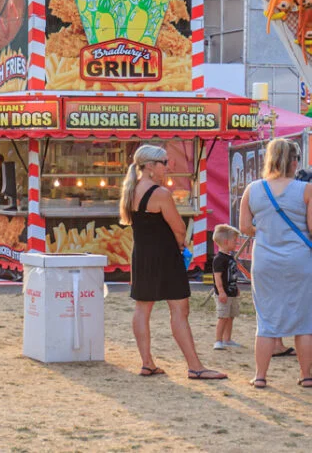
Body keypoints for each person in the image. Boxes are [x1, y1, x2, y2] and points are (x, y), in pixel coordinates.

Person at [121, 144, 225, 380]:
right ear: (150, 166)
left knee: (142, 308)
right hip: (166, 256)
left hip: (142, 255)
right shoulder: (160, 194)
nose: (169, 166)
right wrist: (181, 243)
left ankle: (147, 363)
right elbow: (178, 228)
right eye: (164, 162)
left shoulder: (131, 190)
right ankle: (195, 366)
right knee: (179, 310)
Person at [238, 137, 312, 389]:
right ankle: (305, 375)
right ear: (294, 161)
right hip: (299, 261)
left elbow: (245, 228)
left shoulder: (253, 189)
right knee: (304, 320)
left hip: (265, 261)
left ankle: (260, 375)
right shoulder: (305, 190)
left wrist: (268, 230)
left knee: (266, 320)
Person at [211, 224, 242, 351]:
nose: (236, 243)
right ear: (225, 241)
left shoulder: (230, 258)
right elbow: (218, 277)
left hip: (232, 293)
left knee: (230, 316)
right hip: (223, 294)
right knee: (223, 317)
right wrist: (221, 291)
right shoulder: (219, 259)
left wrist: (236, 287)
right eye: (235, 241)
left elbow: (232, 275)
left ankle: (227, 339)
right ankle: (218, 340)